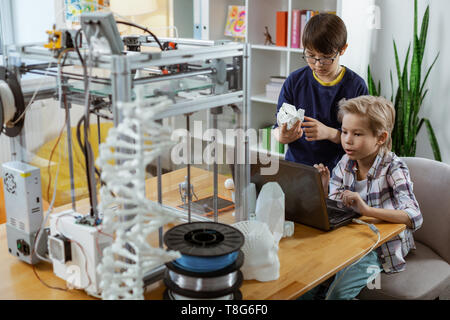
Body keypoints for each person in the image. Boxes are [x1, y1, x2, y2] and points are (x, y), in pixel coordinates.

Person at [310, 95, 423, 300]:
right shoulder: (346, 161)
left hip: (379, 247)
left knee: (337, 293)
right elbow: (336, 202)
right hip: (347, 240)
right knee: (306, 282)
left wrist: (367, 210)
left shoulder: (394, 168)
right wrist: (323, 188)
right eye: (344, 132)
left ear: (380, 138)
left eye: (357, 134)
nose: (347, 140)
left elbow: (414, 216)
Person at [273, 13, 368, 171]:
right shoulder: (294, 81)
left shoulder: (355, 86)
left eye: (325, 57)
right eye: (310, 56)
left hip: (338, 173)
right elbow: (277, 127)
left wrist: (330, 133)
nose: (317, 64)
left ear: (342, 49)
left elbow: (361, 138)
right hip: (296, 167)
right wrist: (281, 136)